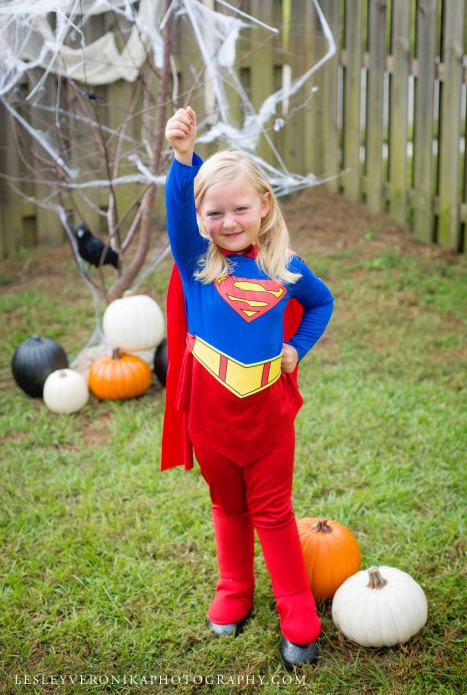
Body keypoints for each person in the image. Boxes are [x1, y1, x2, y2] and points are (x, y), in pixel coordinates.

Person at [161, 106, 334, 669]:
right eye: (215, 212)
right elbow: (179, 220)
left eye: (240, 208)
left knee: (274, 513)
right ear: (200, 217)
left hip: (267, 418)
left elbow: (321, 302)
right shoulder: (198, 265)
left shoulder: (286, 268)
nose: (229, 221)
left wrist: (295, 349)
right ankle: (234, 587)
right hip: (209, 416)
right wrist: (184, 159)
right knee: (226, 505)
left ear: (264, 206)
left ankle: (294, 604)